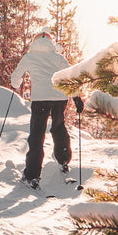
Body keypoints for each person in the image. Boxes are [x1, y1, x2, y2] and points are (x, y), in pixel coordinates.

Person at [10, 31, 74, 190]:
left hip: (40, 99)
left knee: (37, 134)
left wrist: (16, 84)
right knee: (59, 127)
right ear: (51, 42)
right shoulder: (58, 57)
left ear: (34, 41)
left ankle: (32, 176)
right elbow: (72, 76)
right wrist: (77, 96)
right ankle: (64, 160)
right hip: (60, 98)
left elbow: (15, 79)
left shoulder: (29, 57)